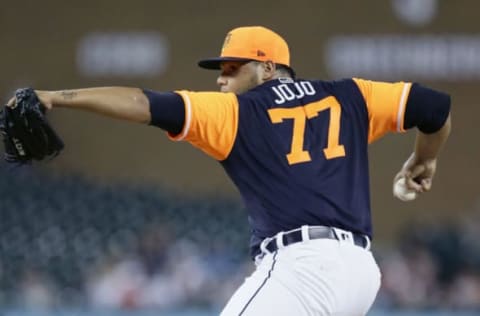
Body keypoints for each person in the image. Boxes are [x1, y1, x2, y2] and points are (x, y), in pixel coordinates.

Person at [7, 26, 451, 315]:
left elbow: (144, 103)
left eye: (233, 68)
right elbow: (436, 107)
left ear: (269, 67)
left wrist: (57, 96)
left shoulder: (238, 112)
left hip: (304, 268)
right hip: (360, 272)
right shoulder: (352, 95)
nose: (222, 79)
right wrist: (424, 159)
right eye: (221, 71)